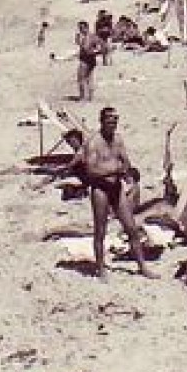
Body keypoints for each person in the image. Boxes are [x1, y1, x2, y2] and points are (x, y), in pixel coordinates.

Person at [68, 107, 157, 281]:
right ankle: (101, 268)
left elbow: (126, 161)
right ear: (102, 121)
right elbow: (91, 170)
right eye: (109, 120)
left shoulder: (118, 139)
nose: (113, 123)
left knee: (131, 228)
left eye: (115, 120)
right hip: (100, 190)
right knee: (100, 231)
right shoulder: (93, 142)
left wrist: (122, 170)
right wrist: (115, 169)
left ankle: (142, 266)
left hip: (116, 188)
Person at [74, 21, 104, 102]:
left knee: (82, 78)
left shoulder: (91, 37)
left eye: (81, 28)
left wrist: (94, 52)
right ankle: (90, 97)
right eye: (79, 28)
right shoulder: (86, 36)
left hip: (87, 59)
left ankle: (83, 97)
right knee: (88, 78)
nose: (80, 30)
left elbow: (102, 47)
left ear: (86, 27)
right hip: (88, 59)